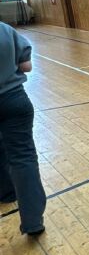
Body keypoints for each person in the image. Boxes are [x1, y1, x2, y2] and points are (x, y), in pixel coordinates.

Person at [0, 22, 47, 236]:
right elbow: (26, 66)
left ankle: (7, 193)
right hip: (14, 99)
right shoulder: (5, 30)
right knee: (23, 157)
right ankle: (33, 221)